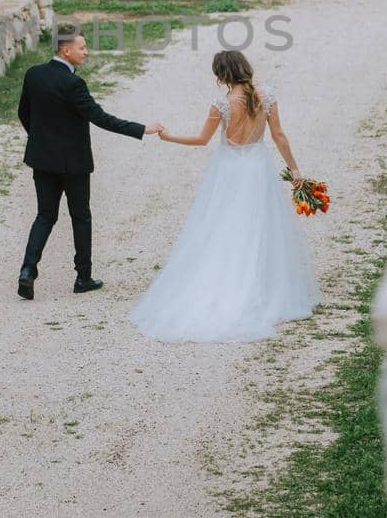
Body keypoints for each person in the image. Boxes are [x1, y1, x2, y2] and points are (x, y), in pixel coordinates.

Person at [129, 49, 320, 342]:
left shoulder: (222, 103)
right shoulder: (266, 95)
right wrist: (295, 171)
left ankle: (230, 283)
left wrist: (168, 137)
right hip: (258, 166)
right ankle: (265, 288)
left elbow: (201, 140)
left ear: (221, 76)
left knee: (223, 226)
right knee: (262, 226)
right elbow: (279, 135)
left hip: (230, 168)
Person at [16, 22, 162, 300]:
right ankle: (83, 277)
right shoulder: (73, 83)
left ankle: (27, 271)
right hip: (74, 164)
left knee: (45, 216)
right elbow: (100, 118)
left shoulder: (33, 75)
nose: (87, 52)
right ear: (65, 49)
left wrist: (41, 140)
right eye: (82, 48)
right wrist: (142, 128)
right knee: (80, 216)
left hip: (42, 160)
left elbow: (24, 112)